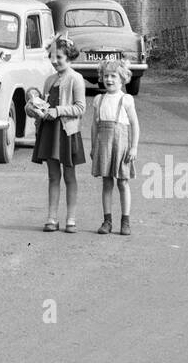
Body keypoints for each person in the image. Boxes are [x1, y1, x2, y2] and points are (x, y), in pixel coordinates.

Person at [29, 37, 88, 233]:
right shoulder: (49, 80)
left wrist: (58, 111)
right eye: (52, 57)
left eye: (59, 57)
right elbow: (45, 104)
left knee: (69, 176)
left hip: (67, 132)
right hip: (49, 132)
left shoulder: (75, 78)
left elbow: (80, 108)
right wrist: (36, 109)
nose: (54, 61)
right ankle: (52, 218)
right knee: (53, 176)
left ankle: (71, 218)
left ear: (69, 57)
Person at [91, 59, 139, 235]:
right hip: (104, 145)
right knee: (106, 182)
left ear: (122, 78)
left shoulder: (126, 99)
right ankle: (107, 221)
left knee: (123, 182)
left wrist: (133, 147)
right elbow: (94, 125)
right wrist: (94, 146)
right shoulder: (99, 99)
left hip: (121, 146)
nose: (109, 80)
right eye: (106, 76)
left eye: (113, 76)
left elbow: (135, 124)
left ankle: (125, 221)